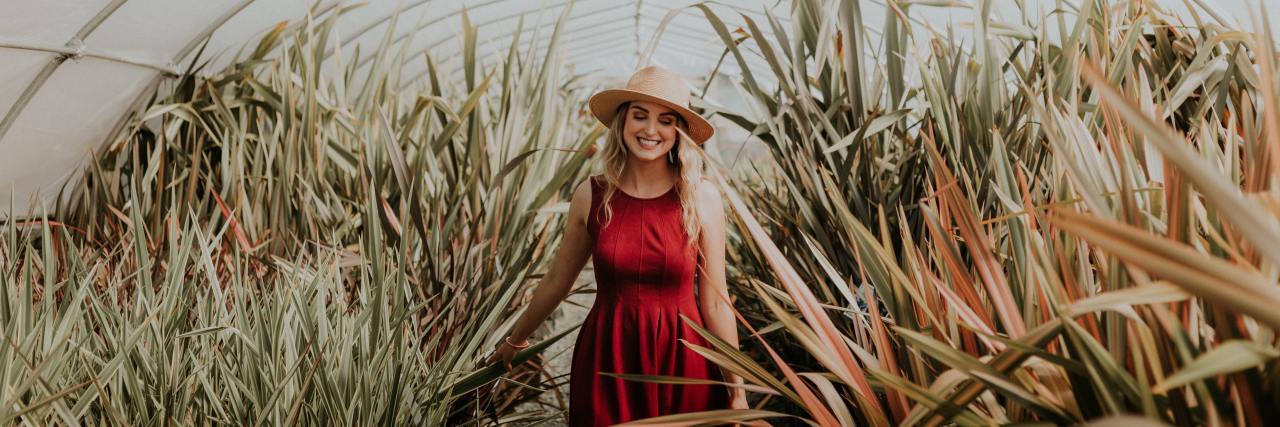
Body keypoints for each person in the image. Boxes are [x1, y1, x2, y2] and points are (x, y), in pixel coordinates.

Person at [488, 65, 748, 424]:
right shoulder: (592, 195)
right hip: (607, 357)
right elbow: (557, 281)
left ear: (680, 132)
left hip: (685, 359)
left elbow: (716, 302)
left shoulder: (700, 197)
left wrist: (738, 392)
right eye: (640, 116)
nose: (651, 130)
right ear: (623, 121)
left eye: (666, 120)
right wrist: (516, 340)